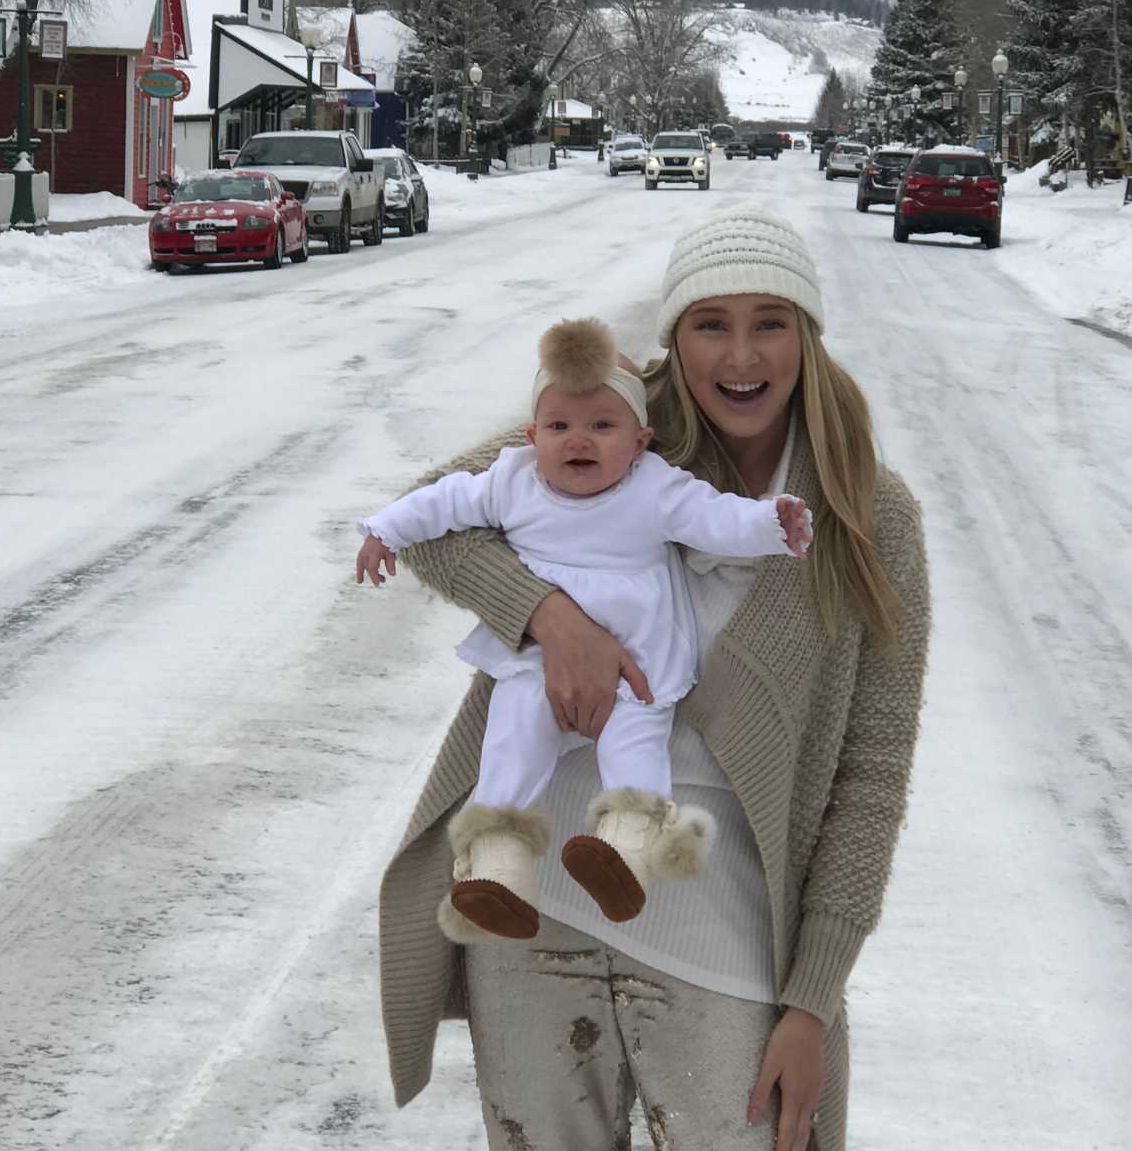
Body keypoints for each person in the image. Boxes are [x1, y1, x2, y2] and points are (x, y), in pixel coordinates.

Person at [377, 207, 931, 1151]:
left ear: (809, 334)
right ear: (674, 337)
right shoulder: (614, 422)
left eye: (771, 321)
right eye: (711, 322)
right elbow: (436, 514)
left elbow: (869, 778)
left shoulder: (867, 511)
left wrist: (813, 996)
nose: (741, 353)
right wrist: (550, 619)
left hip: (727, 924)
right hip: (540, 894)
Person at [356, 318, 813, 943]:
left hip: (638, 656)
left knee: (636, 734)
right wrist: (385, 530)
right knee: (513, 735)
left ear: (641, 439)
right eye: (560, 427)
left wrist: (770, 525)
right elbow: (443, 501)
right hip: (536, 661)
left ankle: (626, 849)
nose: (579, 441)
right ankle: (498, 863)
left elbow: (712, 517)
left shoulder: (653, 487)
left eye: (603, 426)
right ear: (531, 435)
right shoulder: (512, 481)